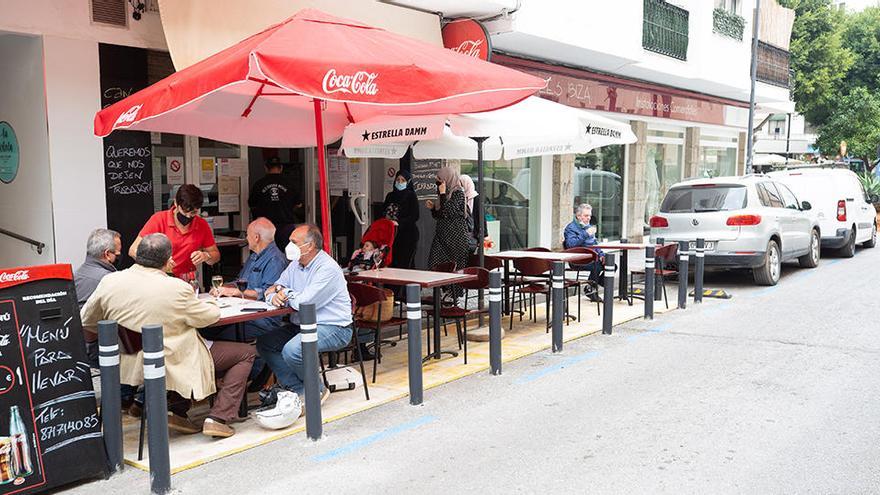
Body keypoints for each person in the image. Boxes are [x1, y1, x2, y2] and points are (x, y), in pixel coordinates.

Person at [81, 233, 255, 438]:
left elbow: (87, 319)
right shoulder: (176, 287)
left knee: (183, 345)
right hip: (170, 360)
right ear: (167, 260)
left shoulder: (110, 281)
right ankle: (218, 418)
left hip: (128, 360)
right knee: (245, 353)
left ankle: (175, 410)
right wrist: (208, 301)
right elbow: (208, 317)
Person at [259, 224, 353, 405]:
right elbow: (273, 288)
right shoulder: (295, 265)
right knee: (266, 343)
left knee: (293, 350)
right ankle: (299, 389)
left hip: (334, 327)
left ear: (309, 246)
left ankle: (315, 390)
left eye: (294, 242)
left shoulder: (327, 268)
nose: (289, 246)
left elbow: (305, 304)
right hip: (302, 325)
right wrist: (276, 294)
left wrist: (285, 293)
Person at [202, 218, 288, 342]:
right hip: (243, 314)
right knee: (205, 329)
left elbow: (267, 293)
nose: (246, 238)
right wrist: (224, 288)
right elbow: (240, 281)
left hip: (262, 320)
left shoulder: (275, 260)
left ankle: (244, 359)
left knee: (210, 335)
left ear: (256, 237)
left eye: (247, 234)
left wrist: (235, 292)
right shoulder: (254, 256)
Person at [129, 184, 219, 280]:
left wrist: (206, 256)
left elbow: (216, 255)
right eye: (185, 212)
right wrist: (158, 263)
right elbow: (133, 250)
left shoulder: (201, 224)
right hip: (159, 277)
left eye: (193, 213)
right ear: (176, 203)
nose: (188, 216)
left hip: (187, 279)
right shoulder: (159, 219)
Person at [73, 228, 122, 367]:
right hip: (102, 350)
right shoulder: (109, 280)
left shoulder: (76, 274)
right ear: (107, 254)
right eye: (117, 253)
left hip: (80, 348)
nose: (119, 256)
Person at [426, 167, 469, 299]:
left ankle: (453, 296)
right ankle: (443, 290)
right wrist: (433, 208)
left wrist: (443, 194)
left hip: (455, 237)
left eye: (440, 180)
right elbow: (440, 215)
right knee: (434, 262)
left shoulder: (458, 193)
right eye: (437, 181)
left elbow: (448, 212)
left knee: (455, 268)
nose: (438, 183)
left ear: (448, 179)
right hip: (442, 236)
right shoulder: (443, 193)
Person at [249, 157, 304, 250]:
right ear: (281, 168)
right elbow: (298, 204)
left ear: (266, 168)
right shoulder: (290, 184)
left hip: (265, 228)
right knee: (286, 253)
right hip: (286, 226)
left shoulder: (259, 184)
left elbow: (252, 204)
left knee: (267, 253)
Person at [563, 203, 604, 302]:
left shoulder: (588, 227)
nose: (589, 218)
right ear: (578, 216)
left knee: (612, 265)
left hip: (592, 259)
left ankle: (591, 287)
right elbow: (570, 245)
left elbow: (595, 244)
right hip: (578, 260)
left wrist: (602, 255)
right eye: (586, 216)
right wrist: (585, 234)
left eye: (590, 215)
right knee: (597, 267)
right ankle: (592, 291)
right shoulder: (571, 228)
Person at [382, 170, 419, 269]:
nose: (399, 182)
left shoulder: (411, 196)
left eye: (403, 180)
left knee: (405, 263)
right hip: (391, 234)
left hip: (407, 235)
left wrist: (399, 223)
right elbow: (383, 211)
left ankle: (406, 284)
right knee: (391, 261)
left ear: (408, 182)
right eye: (398, 179)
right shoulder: (390, 196)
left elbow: (415, 216)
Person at [460, 174, 491, 255]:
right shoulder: (460, 198)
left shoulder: (477, 199)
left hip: (474, 235)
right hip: (463, 235)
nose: (460, 187)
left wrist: (484, 235)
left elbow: (481, 217)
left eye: (462, 184)